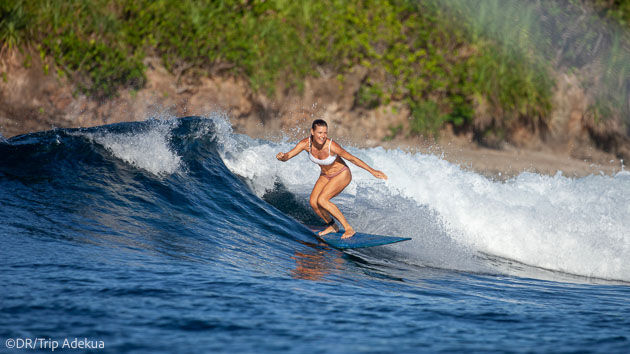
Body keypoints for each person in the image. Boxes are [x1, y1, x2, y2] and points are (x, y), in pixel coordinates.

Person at [276, 119, 388, 239]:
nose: (323, 136)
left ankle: (348, 228)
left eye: (325, 133)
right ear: (312, 132)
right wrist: (282, 156)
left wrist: (372, 171)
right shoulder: (305, 144)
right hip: (325, 175)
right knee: (313, 202)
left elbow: (352, 159)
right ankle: (332, 226)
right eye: (320, 132)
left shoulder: (331, 146)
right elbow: (288, 156)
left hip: (341, 174)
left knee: (322, 200)